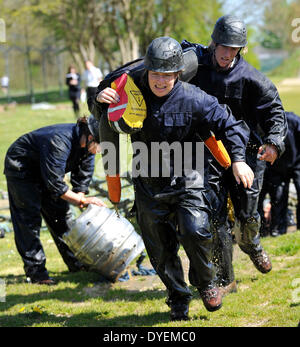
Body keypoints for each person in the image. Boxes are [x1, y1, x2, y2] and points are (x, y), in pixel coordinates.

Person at [90, 36, 254, 321]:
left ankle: (206, 283)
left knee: (196, 231)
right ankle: (178, 297)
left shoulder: (196, 98)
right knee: (160, 248)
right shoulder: (131, 90)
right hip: (148, 178)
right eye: (155, 74)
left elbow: (232, 125)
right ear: (147, 71)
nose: (161, 81)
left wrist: (238, 159)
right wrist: (99, 99)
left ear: (178, 74)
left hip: (188, 176)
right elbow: (104, 119)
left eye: (167, 76)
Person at [181, 15, 287, 295]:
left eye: (234, 48)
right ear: (213, 43)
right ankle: (224, 278)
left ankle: (252, 244)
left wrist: (274, 142)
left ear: (241, 50)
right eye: (223, 46)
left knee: (247, 215)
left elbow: (275, 112)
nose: (227, 54)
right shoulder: (195, 65)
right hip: (205, 151)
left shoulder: (252, 78)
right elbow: (161, 77)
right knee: (213, 216)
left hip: (248, 154)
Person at [4, 115, 106, 285]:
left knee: (62, 218)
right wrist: (84, 201)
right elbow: (56, 185)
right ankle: (37, 273)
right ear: (90, 138)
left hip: (48, 173)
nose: (102, 150)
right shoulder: (59, 142)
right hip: (22, 169)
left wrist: (81, 195)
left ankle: (76, 263)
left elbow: (83, 173)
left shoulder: (87, 146)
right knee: (28, 221)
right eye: (103, 146)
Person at [258, 111, 300, 236]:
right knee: (279, 196)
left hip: (297, 161)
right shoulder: (262, 124)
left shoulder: (293, 120)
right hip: (276, 166)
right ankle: (277, 230)